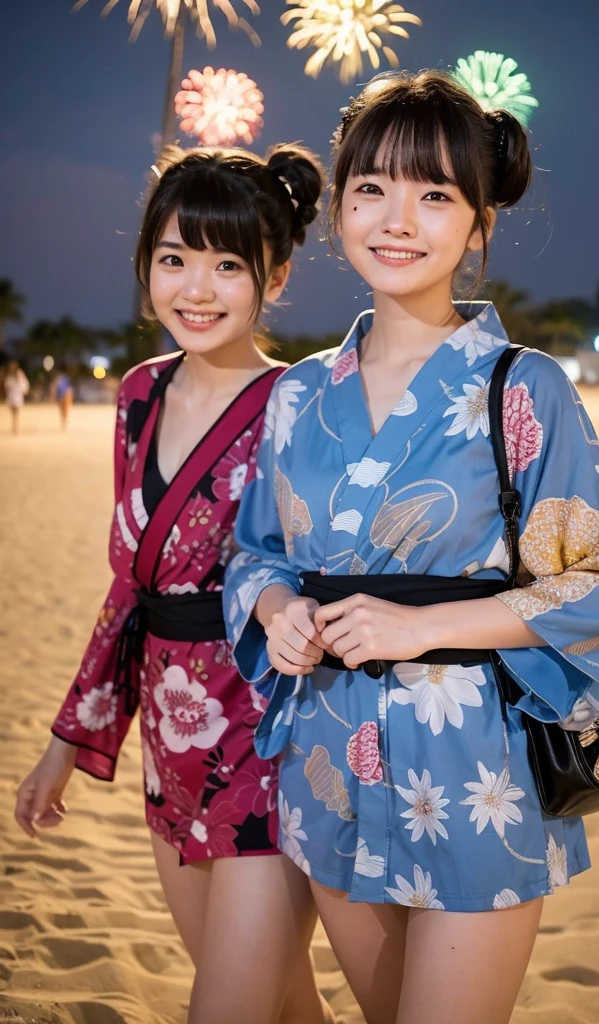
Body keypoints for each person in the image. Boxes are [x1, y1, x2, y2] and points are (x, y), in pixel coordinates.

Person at [224, 71, 599, 1024]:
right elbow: (255, 551)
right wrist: (277, 608)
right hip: (328, 759)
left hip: (475, 774)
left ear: (478, 224)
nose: (397, 219)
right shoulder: (297, 394)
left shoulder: (523, 389)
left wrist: (425, 626)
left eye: (435, 194)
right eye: (371, 188)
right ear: (338, 208)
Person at [15, 144, 334, 1024]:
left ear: (275, 275)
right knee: (285, 1001)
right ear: (144, 263)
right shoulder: (137, 396)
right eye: (174, 258)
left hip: (268, 733)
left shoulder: (303, 404)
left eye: (228, 263)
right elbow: (127, 587)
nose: (197, 287)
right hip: (170, 733)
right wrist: (63, 748)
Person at [4, 360, 29, 434]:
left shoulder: (20, 374)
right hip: (12, 396)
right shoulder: (9, 376)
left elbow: (24, 384)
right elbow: (7, 385)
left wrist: (24, 390)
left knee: (16, 412)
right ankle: (14, 424)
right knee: (13, 412)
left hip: (17, 395)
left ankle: (15, 426)